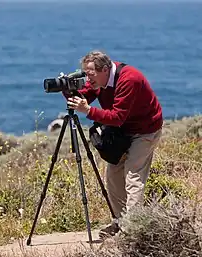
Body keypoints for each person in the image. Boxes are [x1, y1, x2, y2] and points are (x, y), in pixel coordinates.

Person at [66, 50, 163, 238]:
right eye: (85, 74)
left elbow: (117, 117)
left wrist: (87, 110)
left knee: (133, 177)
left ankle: (132, 230)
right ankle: (120, 222)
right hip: (123, 131)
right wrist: (67, 89)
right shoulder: (99, 80)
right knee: (113, 175)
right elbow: (84, 95)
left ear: (104, 70)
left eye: (90, 74)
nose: (87, 79)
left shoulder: (129, 79)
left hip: (145, 130)